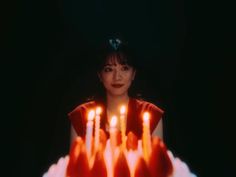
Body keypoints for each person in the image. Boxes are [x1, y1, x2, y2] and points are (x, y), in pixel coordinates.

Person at [68, 38, 164, 145]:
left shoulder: (151, 114)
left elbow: (157, 160)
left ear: (133, 74)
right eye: (109, 69)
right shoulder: (81, 116)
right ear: (100, 75)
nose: (117, 77)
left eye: (124, 68)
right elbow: (75, 160)